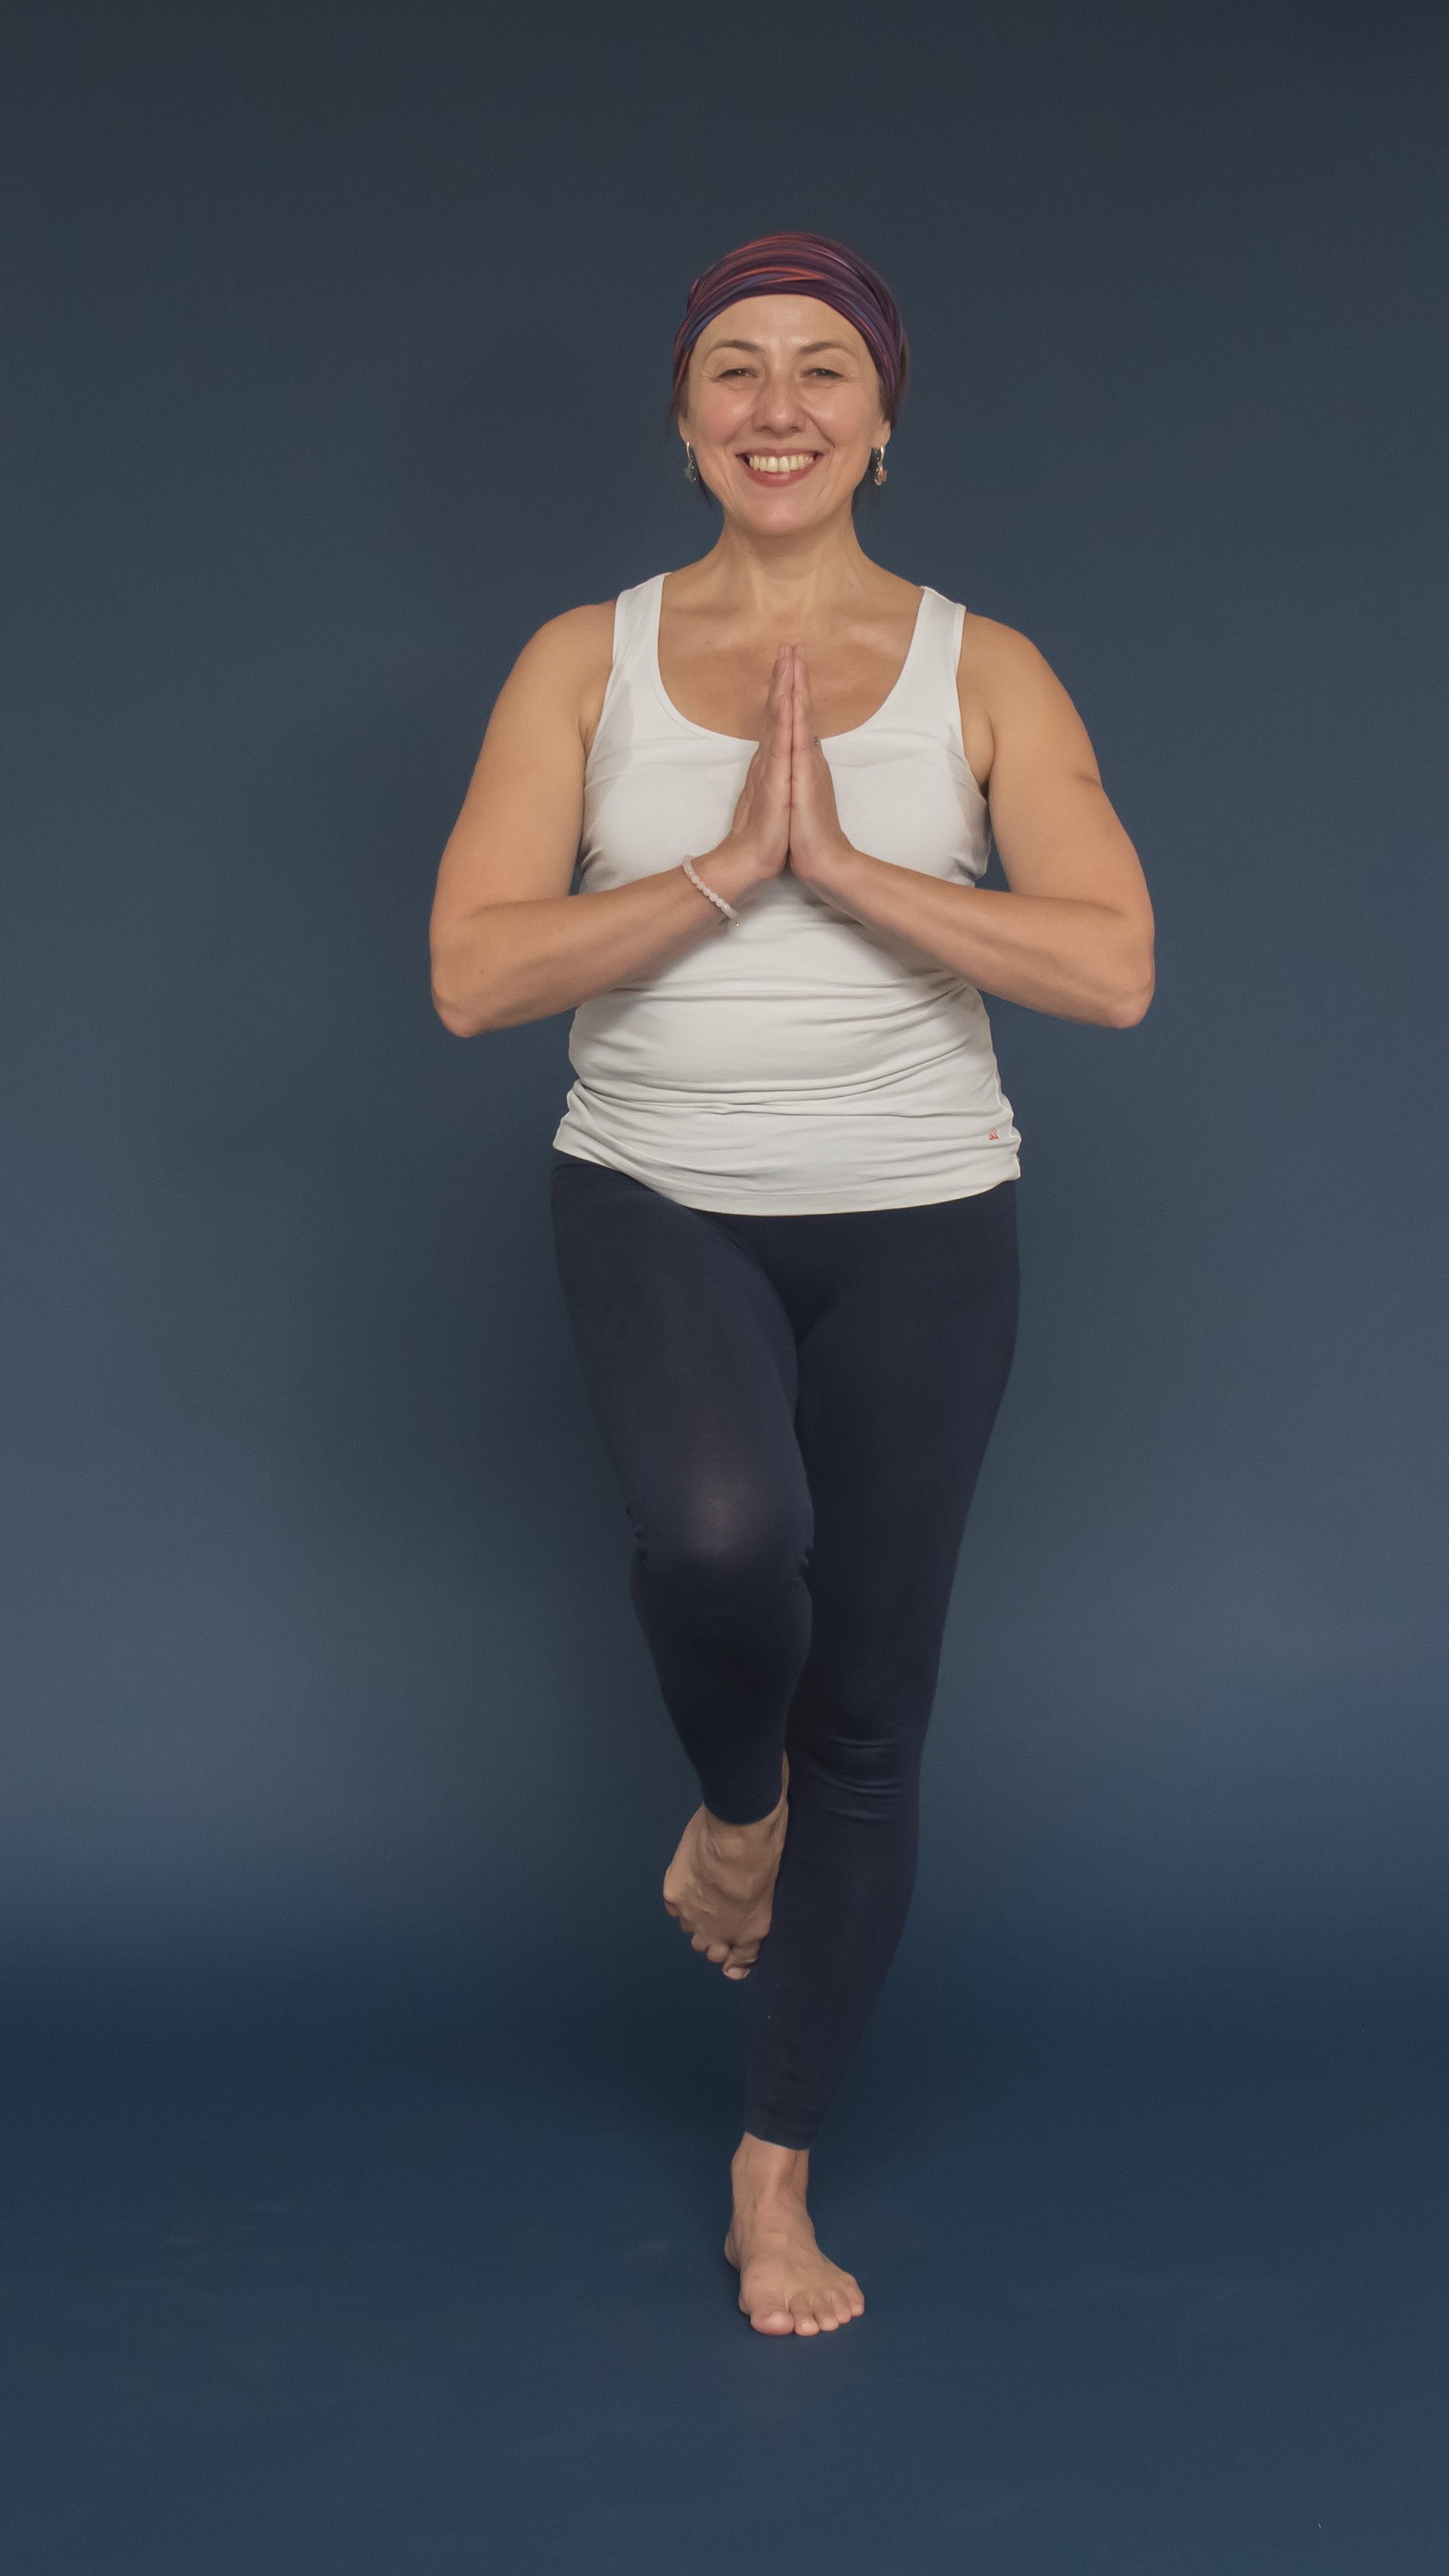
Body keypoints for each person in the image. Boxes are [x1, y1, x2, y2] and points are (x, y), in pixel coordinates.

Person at [429, 231, 1154, 2337]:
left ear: (884, 420)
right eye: (734, 369)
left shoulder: (981, 668)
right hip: (659, 1191)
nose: (776, 404)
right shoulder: (582, 658)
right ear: (682, 418)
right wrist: (728, 868)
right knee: (725, 1545)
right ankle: (726, 1812)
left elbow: (1108, 963)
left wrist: (850, 867)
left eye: (822, 369)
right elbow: (477, 971)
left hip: (930, 1221)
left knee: (876, 1701)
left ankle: (774, 2173)